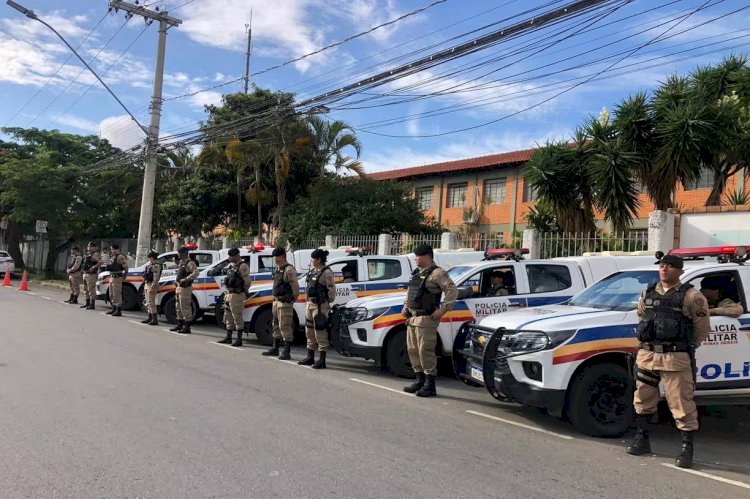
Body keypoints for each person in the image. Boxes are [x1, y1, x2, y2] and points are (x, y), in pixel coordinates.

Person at [626, 254, 710, 469]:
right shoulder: (648, 293)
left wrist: (686, 348)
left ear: (680, 271)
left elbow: (701, 328)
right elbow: (642, 317)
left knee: (681, 404)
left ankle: (686, 449)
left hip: (675, 357)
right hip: (647, 356)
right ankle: (642, 439)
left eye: (670, 266)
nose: (664, 269)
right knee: (642, 399)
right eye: (662, 266)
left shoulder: (692, 296)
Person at [401, 244, 458, 397]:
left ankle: (430, 385)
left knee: (425, 351)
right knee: (413, 351)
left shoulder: (438, 273)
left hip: (426, 319)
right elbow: (410, 293)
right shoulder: (417, 273)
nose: (415, 259)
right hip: (412, 317)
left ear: (426, 257)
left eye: (417, 256)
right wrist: (405, 306)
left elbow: (452, 291)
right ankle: (419, 380)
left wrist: (443, 310)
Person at [298, 249, 336, 369]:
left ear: (318, 260)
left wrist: (325, 302)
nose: (312, 260)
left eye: (313, 259)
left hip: (320, 306)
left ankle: (322, 359)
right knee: (309, 331)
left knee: (320, 331)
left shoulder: (326, 273)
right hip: (310, 304)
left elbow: (331, 291)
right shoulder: (314, 271)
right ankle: (310, 356)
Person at [262, 247, 299, 360]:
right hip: (276, 302)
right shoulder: (279, 269)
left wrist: (290, 300)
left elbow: (295, 288)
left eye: (277, 257)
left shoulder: (289, 270)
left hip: (285, 303)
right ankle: (275, 348)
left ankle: (287, 351)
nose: (275, 259)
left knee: (285, 326)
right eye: (274, 257)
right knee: (276, 325)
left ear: (283, 256)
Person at [217, 248, 252, 347]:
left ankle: (239, 339)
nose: (229, 258)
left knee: (237, 317)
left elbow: (247, 282)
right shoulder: (232, 266)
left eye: (231, 256)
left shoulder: (242, 266)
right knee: (228, 316)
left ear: (236, 256)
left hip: (237, 295)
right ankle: (228, 337)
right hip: (229, 294)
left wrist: (242, 291)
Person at [171, 246, 199, 334]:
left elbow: (196, 273)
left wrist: (186, 279)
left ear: (184, 253)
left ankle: (187, 327)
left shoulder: (190, 263)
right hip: (179, 287)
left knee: (185, 307)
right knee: (178, 307)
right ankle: (180, 324)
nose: (178, 255)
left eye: (179, 253)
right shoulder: (181, 262)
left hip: (185, 288)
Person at [106, 244, 129, 317]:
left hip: (118, 277)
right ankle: (114, 308)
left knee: (117, 294)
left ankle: (118, 310)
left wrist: (125, 275)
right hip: (112, 277)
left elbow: (126, 267)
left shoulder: (120, 257)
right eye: (111, 249)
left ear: (117, 250)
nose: (112, 251)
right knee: (111, 294)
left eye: (113, 249)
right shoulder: (113, 257)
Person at [141, 251, 162, 326]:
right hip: (147, 284)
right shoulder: (151, 265)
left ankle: (154, 319)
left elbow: (156, 276)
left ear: (152, 257)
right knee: (148, 301)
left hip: (152, 284)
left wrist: (153, 284)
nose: (149, 259)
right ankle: (150, 317)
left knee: (151, 302)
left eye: (149, 258)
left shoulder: (156, 265)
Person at [80, 242, 101, 310]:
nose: (89, 247)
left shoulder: (95, 254)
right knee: (86, 289)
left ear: (94, 247)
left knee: (91, 289)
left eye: (91, 246)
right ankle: (87, 302)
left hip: (92, 275)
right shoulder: (88, 254)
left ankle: (92, 304)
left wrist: (94, 267)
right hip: (86, 273)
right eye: (89, 246)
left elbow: (100, 262)